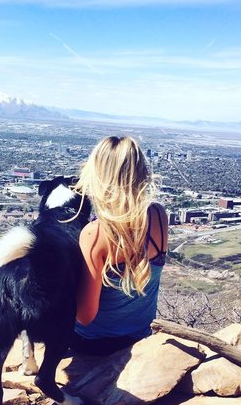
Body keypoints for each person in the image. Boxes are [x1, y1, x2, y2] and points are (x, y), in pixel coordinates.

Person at [71, 135, 168, 355]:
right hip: (141, 337)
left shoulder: (94, 234)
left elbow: (85, 317)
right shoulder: (158, 216)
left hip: (93, 345)